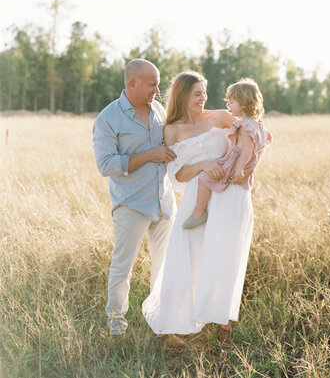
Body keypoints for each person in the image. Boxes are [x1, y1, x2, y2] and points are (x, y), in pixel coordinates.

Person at [142, 71, 272, 339]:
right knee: (184, 255)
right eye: (197, 94)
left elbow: (253, 137)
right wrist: (202, 165)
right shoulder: (172, 130)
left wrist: (248, 170)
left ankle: (221, 318)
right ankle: (171, 320)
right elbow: (175, 175)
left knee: (223, 255)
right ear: (182, 96)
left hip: (228, 197)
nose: (204, 98)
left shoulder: (222, 118)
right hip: (195, 198)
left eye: (205, 92)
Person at [93, 59, 177, 337]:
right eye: (152, 84)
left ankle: (160, 323)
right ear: (132, 84)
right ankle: (116, 328)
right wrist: (149, 155)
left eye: (158, 82)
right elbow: (106, 165)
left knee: (164, 267)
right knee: (122, 268)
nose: (158, 88)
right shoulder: (108, 118)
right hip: (131, 205)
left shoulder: (159, 110)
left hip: (164, 203)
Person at [182, 78, 271, 230]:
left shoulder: (244, 126)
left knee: (204, 177)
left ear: (243, 104)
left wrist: (239, 169)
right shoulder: (258, 125)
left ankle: (199, 212)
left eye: (232, 102)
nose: (228, 105)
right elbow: (263, 145)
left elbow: (247, 149)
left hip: (235, 162)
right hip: (244, 163)